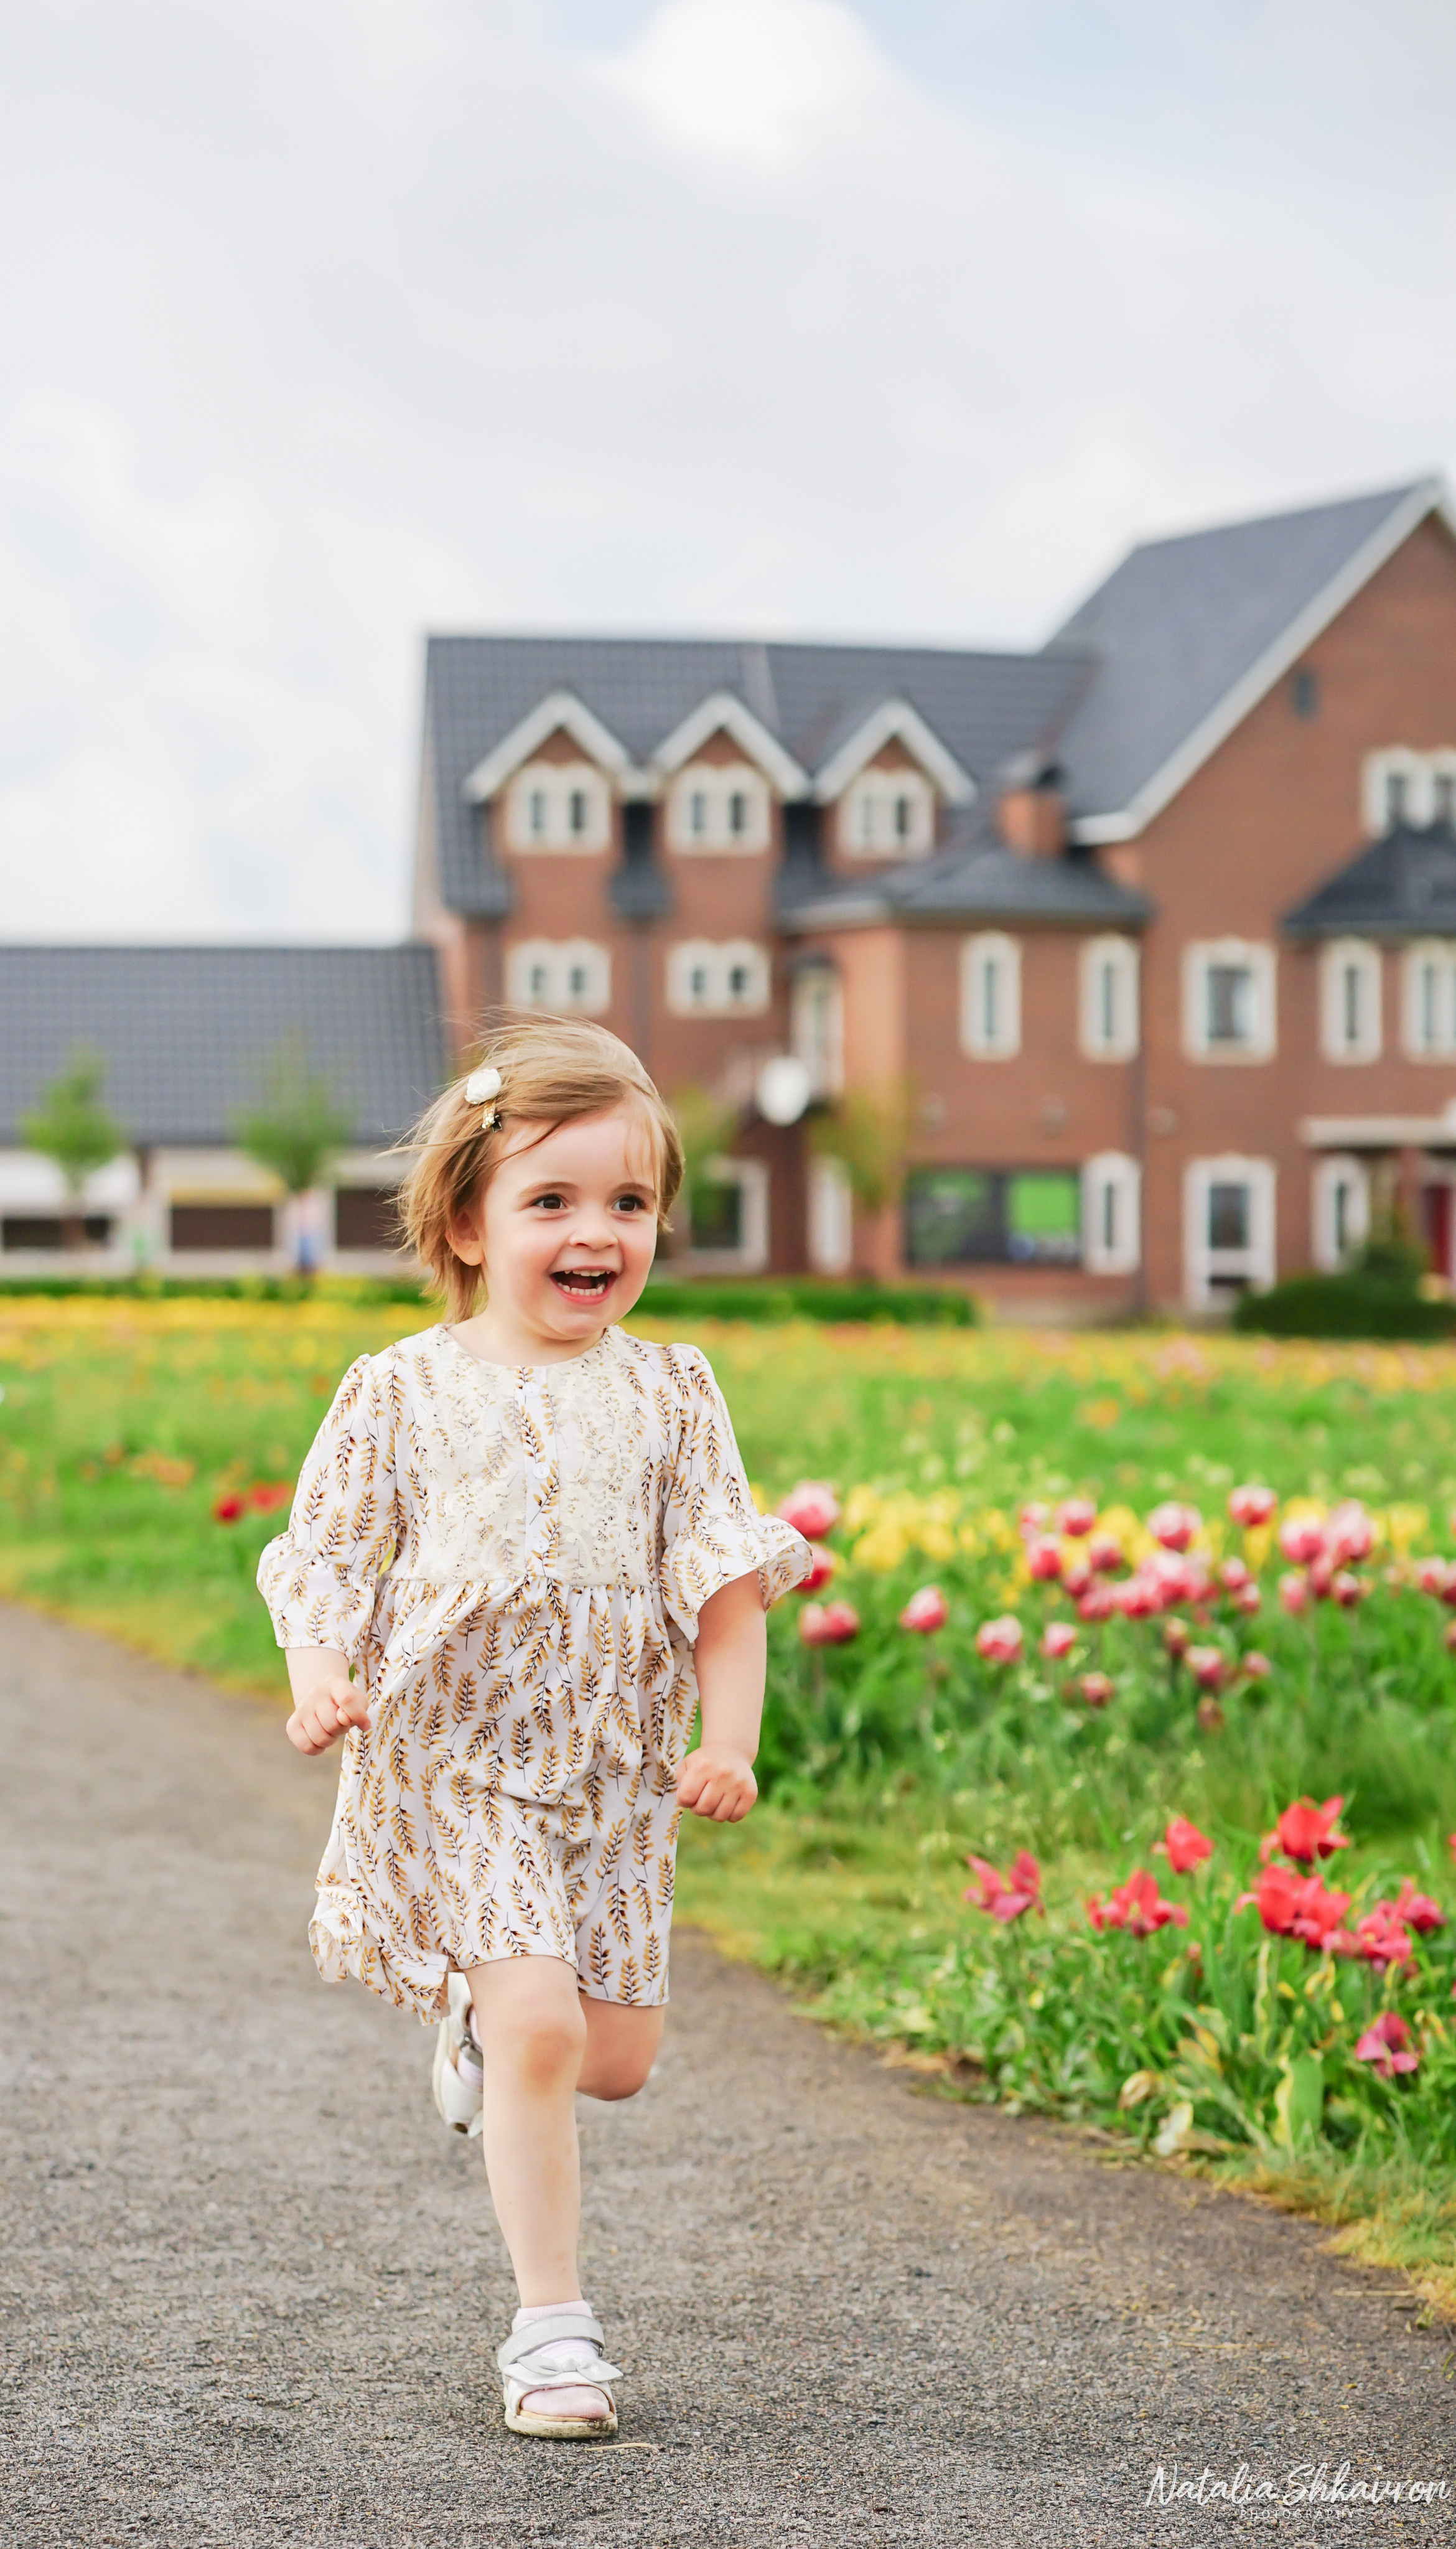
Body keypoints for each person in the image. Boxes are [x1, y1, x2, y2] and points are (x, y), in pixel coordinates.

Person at [257, 1016, 810, 2439]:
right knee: (546, 2025)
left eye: (628, 1202)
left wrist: (729, 1740)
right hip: (454, 1756)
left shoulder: (673, 1390)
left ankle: (478, 2015)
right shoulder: (401, 1389)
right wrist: (322, 1669)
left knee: (612, 2055)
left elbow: (727, 1590)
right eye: (551, 1199)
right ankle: (552, 2332)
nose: (596, 1232)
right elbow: (327, 1553)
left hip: (615, 1771)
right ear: (465, 1216)